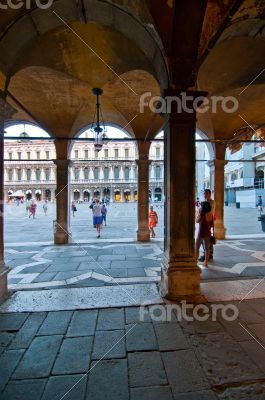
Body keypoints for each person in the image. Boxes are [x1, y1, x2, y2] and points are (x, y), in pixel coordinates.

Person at [198, 189, 215, 262]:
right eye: (204, 194)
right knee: (205, 238)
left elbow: (208, 211)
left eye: (207, 193)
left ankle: (208, 253)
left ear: (210, 194)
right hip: (204, 221)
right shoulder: (204, 202)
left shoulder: (212, 202)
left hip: (208, 221)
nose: (205, 195)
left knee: (206, 238)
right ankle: (208, 253)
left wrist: (201, 208)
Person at [195, 201, 213, 267]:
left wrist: (197, 214)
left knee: (196, 248)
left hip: (201, 233)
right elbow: (211, 224)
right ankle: (206, 263)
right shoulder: (210, 214)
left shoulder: (202, 214)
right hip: (208, 233)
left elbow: (197, 221)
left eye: (201, 206)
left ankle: (195, 261)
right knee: (207, 249)